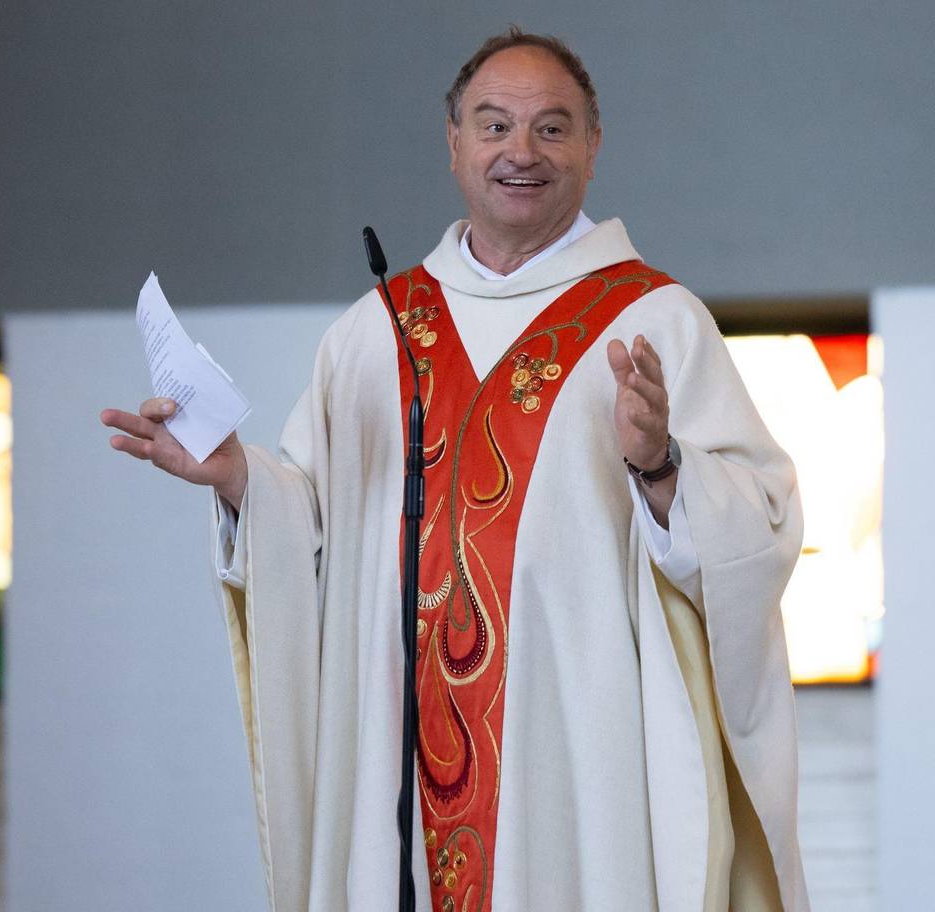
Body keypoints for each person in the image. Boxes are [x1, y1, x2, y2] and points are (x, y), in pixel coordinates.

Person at [101, 27, 807, 912]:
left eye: (552, 128)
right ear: (453, 142)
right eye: (494, 125)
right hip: (395, 768)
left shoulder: (656, 320)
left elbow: (762, 528)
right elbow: (316, 536)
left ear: (594, 146)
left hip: (577, 773)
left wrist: (663, 465)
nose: (522, 152)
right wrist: (242, 480)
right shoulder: (377, 330)